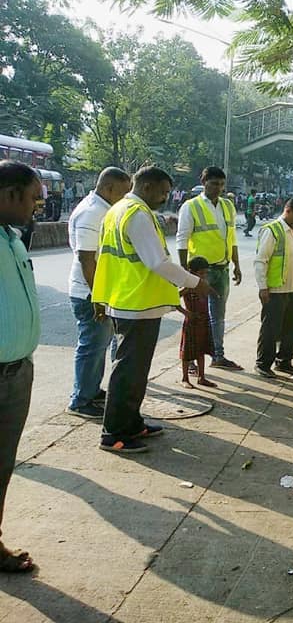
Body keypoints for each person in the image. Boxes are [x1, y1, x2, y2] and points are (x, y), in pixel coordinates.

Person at [92, 166, 213, 454]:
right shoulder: (136, 214)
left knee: (135, 370)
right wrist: (195, 282)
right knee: (128, 372)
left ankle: (132, 423)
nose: (165, 198)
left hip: (130, 300)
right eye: (163, 192)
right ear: (147, 186)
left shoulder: (119, 210)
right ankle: (114, 434)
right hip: (135, 303)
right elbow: (157, 262)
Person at [0, 161, 42, 573]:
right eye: (32, 198)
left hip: (16, 372)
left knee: (2, 465)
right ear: (10, 195)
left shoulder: (12, 238)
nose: (37, 206)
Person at [66, 166, 132, 419]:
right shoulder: (93, 213)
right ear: (109, 187)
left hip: (98, 291)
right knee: (91, 346)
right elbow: (86, 259)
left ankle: (91, 391)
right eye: (123, 192)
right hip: (89, 293)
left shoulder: (102, 208)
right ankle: (81, 399)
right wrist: (98, 296)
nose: (125, 197)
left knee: (99, 345)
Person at [177, 166, 243, 371]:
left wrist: (237, 265)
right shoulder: (191, 206)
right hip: (200, 273)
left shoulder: (227, 206)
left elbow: (232, 239)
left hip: (222, 270)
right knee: (196, 317)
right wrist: (185, 273)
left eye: (222, 184)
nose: (219, 188)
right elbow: (182, 240)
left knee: (218, 318)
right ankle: (191, 361)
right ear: (203, 182)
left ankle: (218, 355)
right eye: (214, 183)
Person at [254, 198, 293, 378]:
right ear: (287, 210)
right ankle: (263, 364)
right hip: (276, 291)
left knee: (291, 330)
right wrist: (263, 287)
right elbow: (261, 261)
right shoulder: (272, 231)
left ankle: (284, 362)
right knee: (271, 329)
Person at [179, 257, 216, 389]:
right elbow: (174, 299)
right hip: (191, 322)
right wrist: (185, 312)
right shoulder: (188, 286)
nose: (204, 276)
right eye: (201, 273)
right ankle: (185, 378)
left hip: (204, 320)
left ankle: (202, 377)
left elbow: (212, 293)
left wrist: (214, 292)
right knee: (187, 352)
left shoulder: (203, 284)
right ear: (191, 272)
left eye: (206, 273)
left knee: (201, 349)